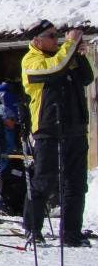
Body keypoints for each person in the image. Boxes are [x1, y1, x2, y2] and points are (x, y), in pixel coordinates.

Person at [21, 21, 93, 246]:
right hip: (48, 128)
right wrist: (69, 45)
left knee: (76, 183)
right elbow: (53, 69)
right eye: (51, 36)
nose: (57, 39)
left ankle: (71, 233)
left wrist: (78, 54)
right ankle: (32, 229)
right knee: (44, 180)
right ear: (37, 40)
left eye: (57, 36)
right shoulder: (31, 61)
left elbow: (87, 78)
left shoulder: (63, 57)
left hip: (74, 128)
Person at [0, 108, 26, 216]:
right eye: (12, 119)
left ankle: (18, 204)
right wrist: (10, 151)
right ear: (5, 119)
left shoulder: (10, 130)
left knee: (25, 172)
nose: (14, 122)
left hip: (7, 164)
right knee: (19, 175)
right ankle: (7, 202)